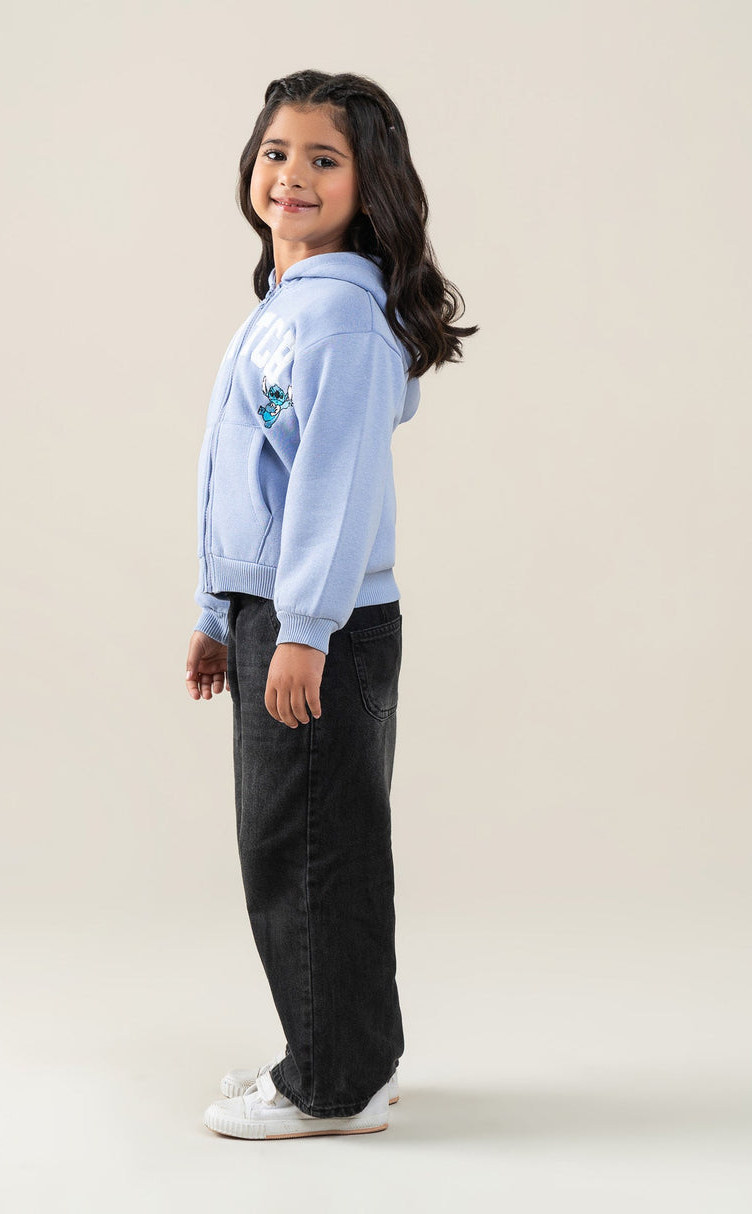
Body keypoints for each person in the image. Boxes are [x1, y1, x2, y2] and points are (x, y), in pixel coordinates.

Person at [184, 69, 478, 1140]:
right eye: (276, 152)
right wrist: (217, 611)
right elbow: (242, 476)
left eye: (323, 158)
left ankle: (330, 1084)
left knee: (307, 849)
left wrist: (303, 628)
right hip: (275, 615)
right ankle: (353, 1053)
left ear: (368, 184)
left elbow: (333, 487)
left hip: (319, 625)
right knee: (314, 840)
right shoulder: (288, 306)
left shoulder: (341, 320)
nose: (291, 175)